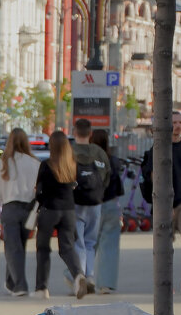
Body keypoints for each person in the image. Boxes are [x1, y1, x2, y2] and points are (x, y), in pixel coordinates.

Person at [141, 110, 181, 294]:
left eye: (180, 122)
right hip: (165, 202)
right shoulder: (158, 147)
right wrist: (164, 201)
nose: (177, 126)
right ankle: (165, 282)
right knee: (164, 243)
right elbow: (153, 175)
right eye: (174, 122)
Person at [33, 130, 88, 300]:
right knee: (67, 248)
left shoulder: (46, 165)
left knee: (43, 248)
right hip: (68, 210)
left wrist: (39, 201)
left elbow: (39, 191)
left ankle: (42, 288)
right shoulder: (73, 164)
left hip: (49, 210)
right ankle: (78, 275)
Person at [0, 127, 40, 296]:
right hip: (29, 209)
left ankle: (20, 285)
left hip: (10, 208)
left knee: (12, 248)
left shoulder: (3, 163)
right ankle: (11, 282)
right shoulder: (35, 163)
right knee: (19, 246)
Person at [70, 118, 111, 288]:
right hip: (95, 201)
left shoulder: (69, 151)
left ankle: (80, 275)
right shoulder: (98, 152)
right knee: (91, 242)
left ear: (74, 132)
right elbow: (107, 175)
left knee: (78, 240)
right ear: (90, 133)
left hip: (76, 201)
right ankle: (91, 275)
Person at [90, 128, 123, 293]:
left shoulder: (85, 160)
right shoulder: (113, 160)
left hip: (90, 205)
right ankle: (106, 284)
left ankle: (80, 277)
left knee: (87, 243)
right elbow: (118, 188)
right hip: (110, 204)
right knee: (109, 245)